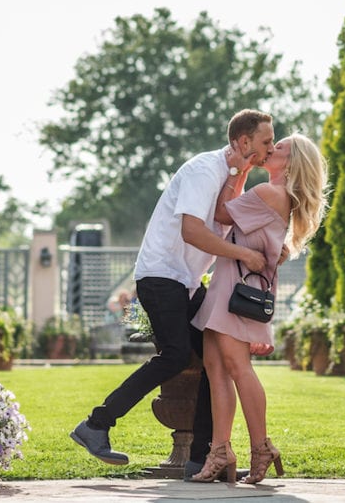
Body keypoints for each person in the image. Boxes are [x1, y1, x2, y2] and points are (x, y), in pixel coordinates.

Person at [69, 109, 274, 476]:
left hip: (185, 282)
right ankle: (96, 425)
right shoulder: (203, 171)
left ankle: (200, 458)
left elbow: (226, 218)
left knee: (216, 357)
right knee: (177, 354)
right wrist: (245, 254)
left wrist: (242, 175)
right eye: (265, 142)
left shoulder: (228, 175)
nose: (270, 149)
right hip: (161, 277)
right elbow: (192, 232)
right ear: (243, 142)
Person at [188, 133, 329, 484]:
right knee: (215, 367)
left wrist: (239, 169)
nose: (269, 149)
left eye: (278, 148)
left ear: (292, 162)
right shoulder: (277, 196)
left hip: (236, 292)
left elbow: (221, 213)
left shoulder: (270, 193)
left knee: (236, 366)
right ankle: (220, 451)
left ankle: (260, 446)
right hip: (228, 287)